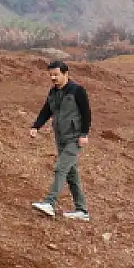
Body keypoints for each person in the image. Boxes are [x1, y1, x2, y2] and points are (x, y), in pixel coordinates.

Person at [29, 61, 91, 222]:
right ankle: (82, 210)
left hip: (75, 138)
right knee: (72, 174)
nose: (53, 78)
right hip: (61, 138)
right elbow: (46, 110)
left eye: (56, 74)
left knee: (60, 168)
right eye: (51, 75)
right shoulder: (53, 92)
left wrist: (84, 134)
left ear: (66, 74)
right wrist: (36, 126)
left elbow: (86, 113)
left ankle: (50, 202)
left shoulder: (77, 90)